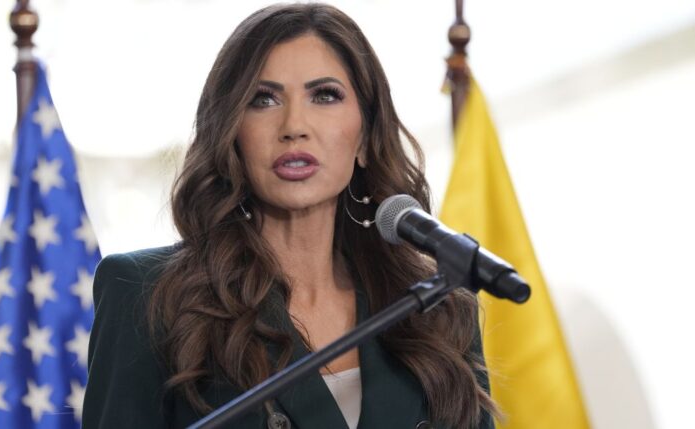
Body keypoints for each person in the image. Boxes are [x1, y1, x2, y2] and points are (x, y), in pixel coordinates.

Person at [82, 3, 497, 428]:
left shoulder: (439, 307)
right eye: (263, 99)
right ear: (231, 133)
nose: (294, 125)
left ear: (365, 138)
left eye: (325, 95)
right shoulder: (146, 295)